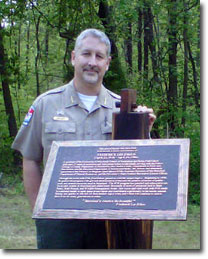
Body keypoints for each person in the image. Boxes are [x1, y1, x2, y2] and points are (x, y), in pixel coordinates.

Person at [12, 28, 156, 249]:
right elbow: (30, 158)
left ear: (107, 63)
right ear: (73, 57)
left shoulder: (125, 109)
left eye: (99, 56)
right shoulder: (46, 104)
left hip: (109, 221)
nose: (92, 62)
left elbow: (137, 167)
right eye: (86, 54)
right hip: (59, 222)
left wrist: (143, 129)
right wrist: (40, 212)